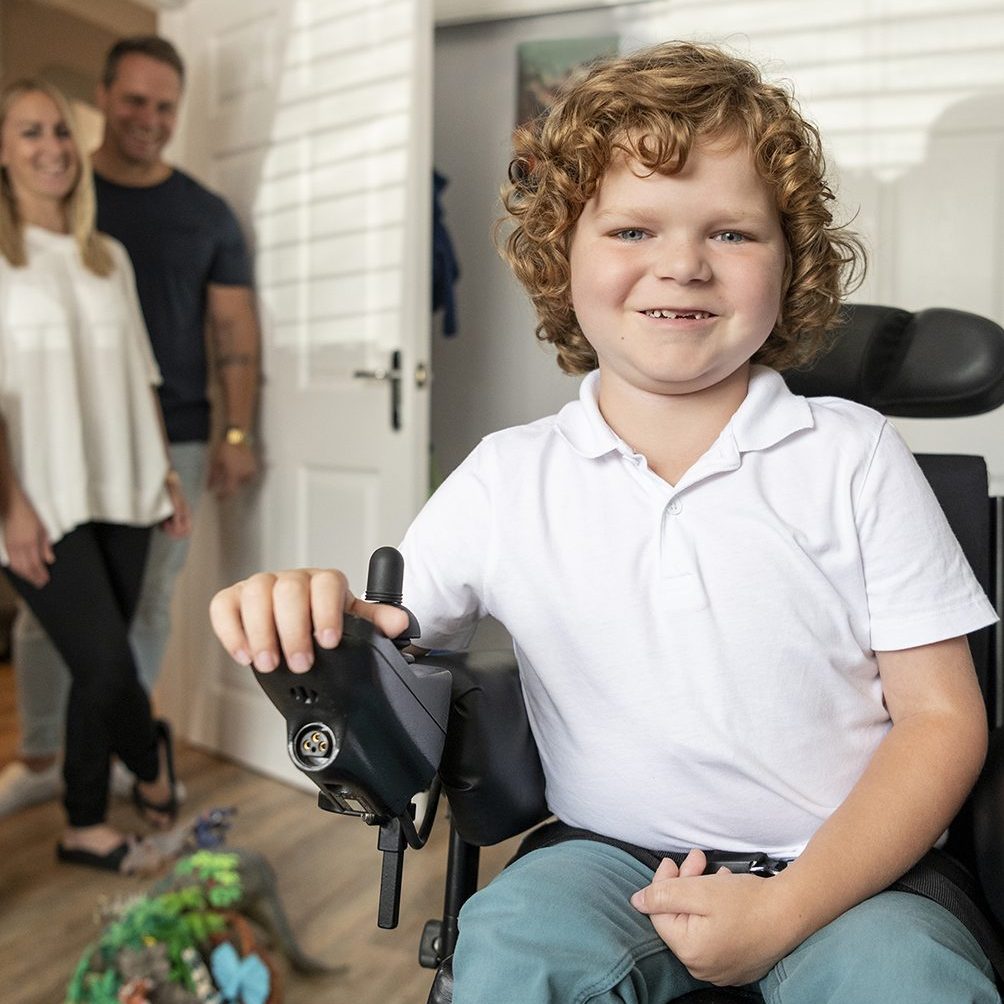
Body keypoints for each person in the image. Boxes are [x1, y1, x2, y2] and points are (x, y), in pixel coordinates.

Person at [208, 42, 1000, 1002]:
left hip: (845, 872)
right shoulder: (508, 477)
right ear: (561, 253)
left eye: (733, 235)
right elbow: (389, 648)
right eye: (631, 230)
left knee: (909, 980)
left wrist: (787, 911)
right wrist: (311, 620)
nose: (682, 265)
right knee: (510, 951)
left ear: (790, 263)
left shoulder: (853, 456)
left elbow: (942, 719)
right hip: (607, 864)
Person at [0, 35, 261, 817]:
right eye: (136, 101)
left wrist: (213, 447)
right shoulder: (26, 232)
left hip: (145, 457)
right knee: (77, 641)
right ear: (107, 100)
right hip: (39, 477)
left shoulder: (142, 236)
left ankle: (94, 800)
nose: (149, 118)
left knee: (130, 627)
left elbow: (200, 345)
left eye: (164, 107)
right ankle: (108, 758)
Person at [0, 79, 191, 870]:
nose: (52, 148)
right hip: (39, 499)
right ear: (3, 150)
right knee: (107, 662)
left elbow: (140, 375)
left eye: (59, 132)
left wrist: (164, 477)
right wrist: (11, 507)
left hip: (127, 485)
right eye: (30, 132)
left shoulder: (104, 255)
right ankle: (151, 766)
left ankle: (85, 825)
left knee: (95, 670)